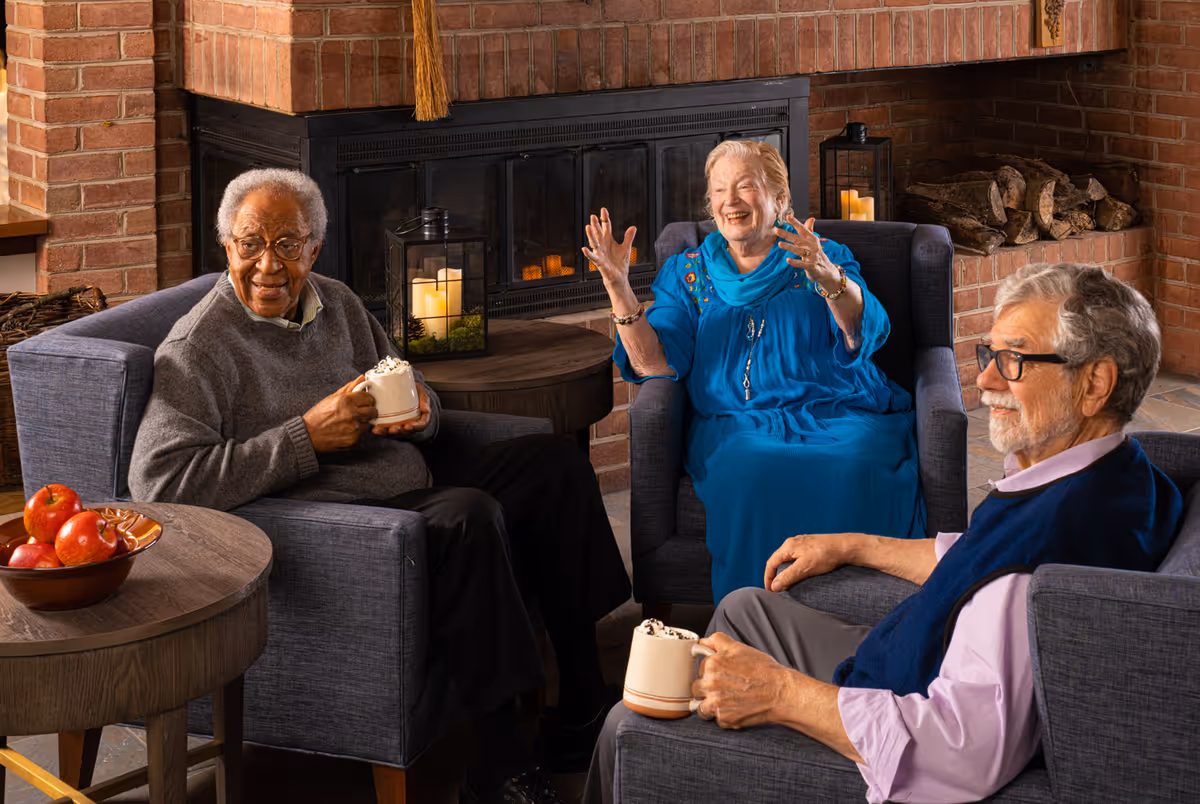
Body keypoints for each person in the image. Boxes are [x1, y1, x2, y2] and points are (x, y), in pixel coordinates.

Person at [585, 262, 1184, 804]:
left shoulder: (1040, 554)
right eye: (989, 354)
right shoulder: (1116, 476)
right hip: (910, 662)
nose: (985, 384)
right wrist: (854, 544)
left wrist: (778, 695)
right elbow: (979, 559)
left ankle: (686, 762)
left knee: (625, 728)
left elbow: (961, 751)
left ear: (1095, 383)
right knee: (746, 608)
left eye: (1015, 360)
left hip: (901, 733)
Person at [128, 169, 631, 803]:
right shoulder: (199, 348)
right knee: (469, 515)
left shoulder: (337, 303)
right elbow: (159, 481)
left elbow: (405, 382)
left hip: (401, 473)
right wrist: (304, 438)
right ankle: (500, 769)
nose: (267, 264)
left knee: (554, 463)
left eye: (288, 244)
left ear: (314, 249)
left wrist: (425, 414)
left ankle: (584, 709)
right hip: (341, 518)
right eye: (250, 243)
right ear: (226, 246)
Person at [586, 140, 925, 603]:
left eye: (746, 186)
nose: (730, 201)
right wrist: (618, 286)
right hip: (737, 425)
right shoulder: (690, 274)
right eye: (720, 190)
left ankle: (865, 615)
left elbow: (863, 332)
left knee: (858, 463)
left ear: (780, 199)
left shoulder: (818, 255)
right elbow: (654, 364)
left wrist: (829, 278)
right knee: (753, 467)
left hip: (837, 410)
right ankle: (763, 625)